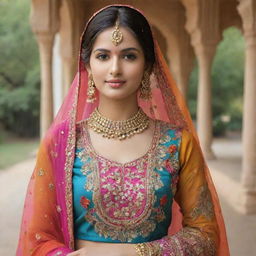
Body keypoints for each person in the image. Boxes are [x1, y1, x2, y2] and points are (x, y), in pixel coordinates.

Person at [16, 5, 229, 256]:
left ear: (148, 65)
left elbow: (205, 235)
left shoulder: (178, 143)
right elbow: (38, 239)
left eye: (129, 56)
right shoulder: (61, 143)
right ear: (87, 65)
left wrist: (132, 253)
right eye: (103, 56)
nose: (115, 68)